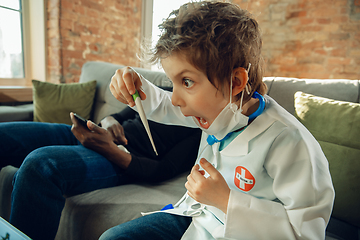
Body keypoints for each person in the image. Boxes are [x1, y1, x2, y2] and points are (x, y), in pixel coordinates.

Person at [103, 1, 335, 240]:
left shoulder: (289, 141)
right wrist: (134, 85)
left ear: (235, 82)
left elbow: (306, 234)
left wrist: (227, 201)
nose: (175, 100)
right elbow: (163, 105)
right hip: (198, 219)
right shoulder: (217, 111)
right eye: (173, 82)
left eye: (187, 82)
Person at [0, 105, 201, 240]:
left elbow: (163, 169)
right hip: (93, 136)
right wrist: (109, 122)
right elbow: (116, 116)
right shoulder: (159, 93)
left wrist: (110, 149)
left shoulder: (199, 125)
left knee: (41, 165)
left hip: (120, 157)